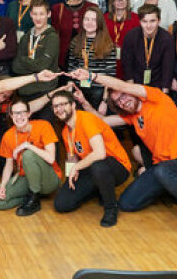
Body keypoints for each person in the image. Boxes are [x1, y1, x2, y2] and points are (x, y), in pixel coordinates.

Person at [68, 68, 177, 239]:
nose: (123, 101)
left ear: (132, 92)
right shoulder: (133, 117)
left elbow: (121, 85)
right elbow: (102, 121)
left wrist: (92, 77)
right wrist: (83, 102)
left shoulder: (156, 97)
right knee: (126, 203)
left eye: (124, 95)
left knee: (162, 170)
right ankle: (170, 191)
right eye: (118, 101)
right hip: (161, 170)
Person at [40, 87, 131, 226]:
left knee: (98, 165)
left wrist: (77, 167)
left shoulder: (86, 119)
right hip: (91, 168)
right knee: (61, 204)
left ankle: (111, 208)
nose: (59, 109)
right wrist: (69, 178)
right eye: (55, 106)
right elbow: (72, 158)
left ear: (73, 105)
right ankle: (99, 189)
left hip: (117, 167)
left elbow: (100, 153)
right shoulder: (66, 132)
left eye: (63, 104)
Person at [0, 98, 62, 216]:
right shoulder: (8, 135)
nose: (19, 116)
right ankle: (31, 197)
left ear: (28, 114)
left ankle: (34, 199)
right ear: (11, 116)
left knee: (28, 154)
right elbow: (9, 164)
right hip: (26, 178)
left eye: (22, 112)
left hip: (49, 178)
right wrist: (3, 185)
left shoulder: (43, 126)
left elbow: (51, 158)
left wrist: (28, 146)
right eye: (16, 113)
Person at [11, 0, 60, 124]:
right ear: (31, 15)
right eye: (35, 14)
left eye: (41, 14)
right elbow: (15, 66)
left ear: (48, 14)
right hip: (25, 92)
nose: (38, 18)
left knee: (45, 132)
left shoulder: (52, 37)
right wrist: (30, 63)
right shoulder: (26, 37)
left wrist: (23, 61)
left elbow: (43, 65)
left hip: (44, 92)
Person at [66, 7, 117, 109]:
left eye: (93, 20)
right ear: (82, 21)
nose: (89, 22)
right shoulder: (75, 41)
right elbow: (71, 69)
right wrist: (69, 94)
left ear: (99, 22)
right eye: (87, 19)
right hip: (78, 89)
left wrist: (105, 101)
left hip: (98, 92)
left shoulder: (108, 44)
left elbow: (110, 75)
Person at [121, 4, 175, 92]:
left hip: (158, 86)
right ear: (139, 22)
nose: (148, 25)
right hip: (136, 85)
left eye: (152, 21)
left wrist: (165, 93)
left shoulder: (167, 38)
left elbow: (167, 68)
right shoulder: (130, 36)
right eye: (144, 21)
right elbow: (127, 66)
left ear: (159, 21)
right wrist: (131, 90)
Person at [53, 0, 99, 68]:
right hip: (63, 57)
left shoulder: (93, 8)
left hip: (87, 56)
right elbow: (54, 34)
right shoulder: (58, 9)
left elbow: (99, 32)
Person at [104, 0, 139, 77]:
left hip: (130, 61)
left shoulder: (136, 18)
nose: (121, 2)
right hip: (108, 61)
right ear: (112, 2)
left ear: (127, 1)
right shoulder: (104, 18)